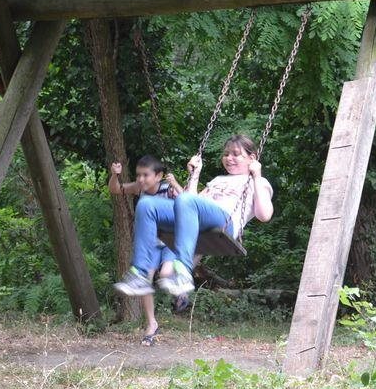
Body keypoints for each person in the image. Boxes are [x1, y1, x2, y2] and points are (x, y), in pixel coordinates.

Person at [112, 134, 274, 303]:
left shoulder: (258, 182)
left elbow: (264, 215)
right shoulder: (218, 180)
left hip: (225, 222)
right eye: (226, 154)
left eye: (235, 154)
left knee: (184, 200)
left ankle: (182, 271)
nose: (229, 158)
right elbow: (190, 203)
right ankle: (141, 273)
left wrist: (256, 175)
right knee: (147, 205)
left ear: (252, 158)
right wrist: (195, 175)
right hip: (198, 218)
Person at [107, 155, 183, 345]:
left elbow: (188, 204)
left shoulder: (168, 188)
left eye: (145, 175)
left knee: (166, 273)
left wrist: (177, 186)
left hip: (170, 241)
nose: (141, 179)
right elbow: (116, 189)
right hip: (150, 244)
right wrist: (114, 175)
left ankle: (180, 290)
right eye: (138, 175)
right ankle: (151, 324)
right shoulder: (139, 188)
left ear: (158, 176)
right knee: (144, 281)